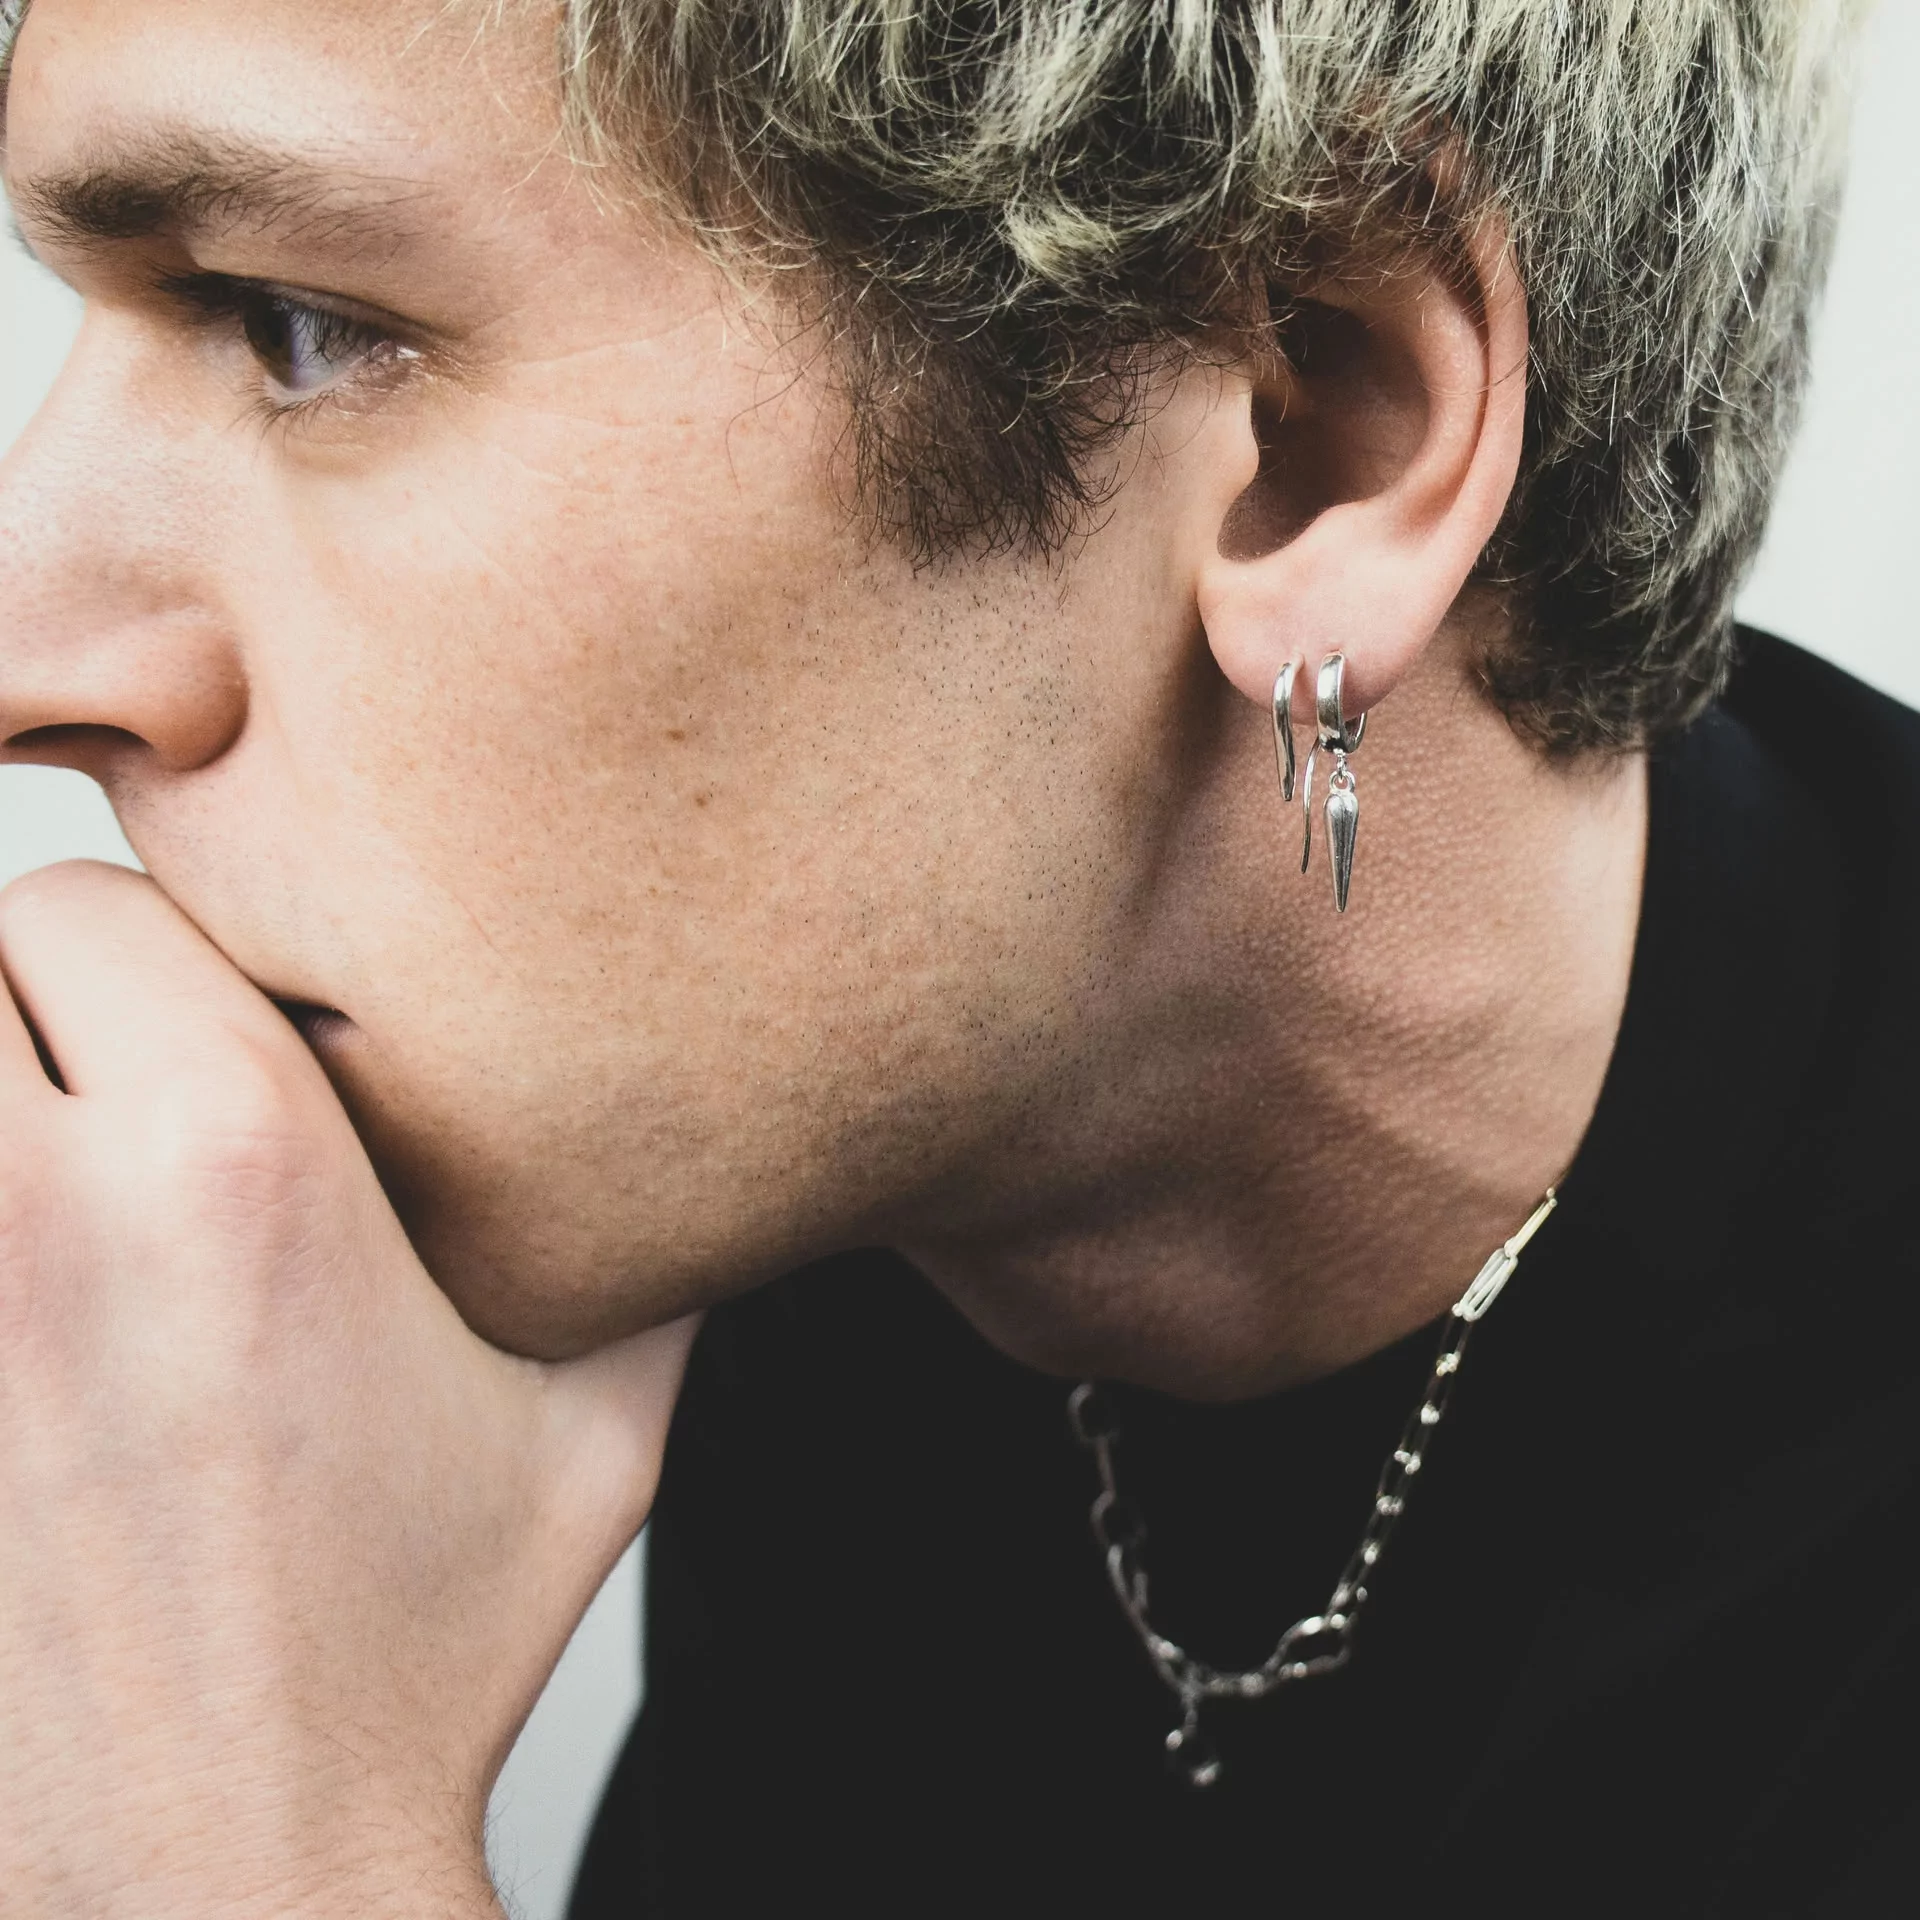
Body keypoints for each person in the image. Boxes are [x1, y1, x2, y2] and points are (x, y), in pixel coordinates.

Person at [0, 0, 1911, 1912]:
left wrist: (241, 1846)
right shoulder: (832, 1158)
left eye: (302, 326)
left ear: (1319, 434)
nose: (33, 661)